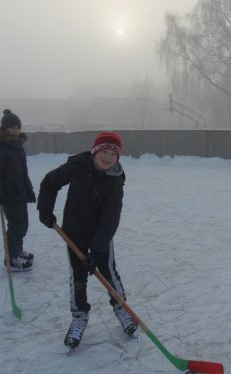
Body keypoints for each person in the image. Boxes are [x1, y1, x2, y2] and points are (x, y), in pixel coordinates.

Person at [37, 131, 137, 348]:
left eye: (114, 153)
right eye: (104, 151)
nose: (108, 157)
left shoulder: (115, 183)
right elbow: (49, 182)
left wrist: (97, 250)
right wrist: (45, 209)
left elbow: (110, 220)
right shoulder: (77, 166)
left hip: (100, 237)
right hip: (73, 234)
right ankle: (79, 316)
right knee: (78, 277)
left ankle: (122, 309)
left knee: (109, 273)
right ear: (95, 151)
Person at [0, 109, 36, 271]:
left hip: (20, 193)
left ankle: (17, 251)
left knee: (23, 224)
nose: (15, 130)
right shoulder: (3, 147)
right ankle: (12, 259)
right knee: (17, 226)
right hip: (9, 195)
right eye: (11, 127)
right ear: (4, 129)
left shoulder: (17, 145)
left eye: (17, 127)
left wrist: (28, 189)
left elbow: (21, 171)